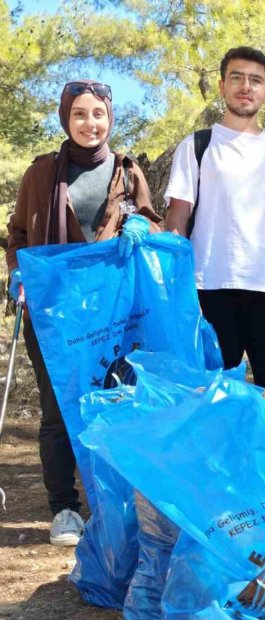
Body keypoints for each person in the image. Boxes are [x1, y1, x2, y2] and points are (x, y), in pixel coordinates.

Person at [5, 79, 161, 546]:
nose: (90, 123)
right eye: (79, 114)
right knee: (58, 407)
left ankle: (116, 502)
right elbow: (16, 234)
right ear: (65, 119)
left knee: (118, 403)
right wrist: (18, 272)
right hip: (54, 312)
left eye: (98, 114)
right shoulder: (40, 174)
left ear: (109, 118)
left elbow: (151, 222)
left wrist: (141, 224)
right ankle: (64, 509)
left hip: (113, 314)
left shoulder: (127, 171)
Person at [164, 46, 265, 392]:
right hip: (207, 291)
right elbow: (178, 216)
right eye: (237, 77)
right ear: (221, 86)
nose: (246, 86)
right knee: (210, 404)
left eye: (255, 80)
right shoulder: (197, 145)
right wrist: (176, 281)